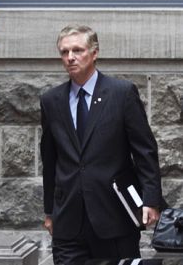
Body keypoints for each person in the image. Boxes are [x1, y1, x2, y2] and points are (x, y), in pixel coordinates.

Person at [40, 25, 163, 264]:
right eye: (64, 52)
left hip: (114, 216)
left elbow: (145, 151)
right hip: (68, 220)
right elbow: (50, 159)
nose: (70, 57)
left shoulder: (122, 94)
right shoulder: (51, 101)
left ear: (94, 53)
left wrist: (151, 200)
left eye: (77, 50)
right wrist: (49, 210)